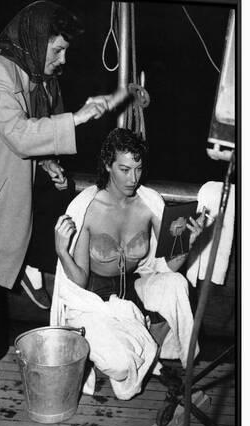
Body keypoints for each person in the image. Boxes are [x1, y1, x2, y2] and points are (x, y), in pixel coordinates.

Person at [0, 0, 109, 393]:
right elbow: (19, 133)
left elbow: (35, 136)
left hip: (16, 174)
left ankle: (30, 265)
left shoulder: (41, 76)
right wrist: (77, 118)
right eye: (57, 49)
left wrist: (48, 164)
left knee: (62, 201)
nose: (63, 58)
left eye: (66, 51)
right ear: (36, 40)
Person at [51, 128, 205, 399]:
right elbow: (78, 281)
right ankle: (128, 352)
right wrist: (62, 251)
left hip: (133, 292)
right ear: (108, 165)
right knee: (122, 367)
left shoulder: (149, 204)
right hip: (95, 300)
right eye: (124, 169)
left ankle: (171, 360)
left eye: (138, 169)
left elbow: (169, 267)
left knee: (176, 284)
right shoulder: (87, 208)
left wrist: (189, 244)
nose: (133, 178)